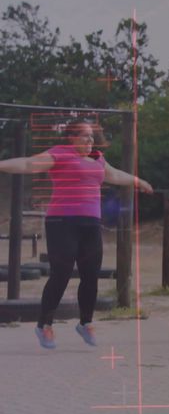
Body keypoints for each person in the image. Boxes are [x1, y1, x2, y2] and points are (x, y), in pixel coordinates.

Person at [0, 119, 153, 349]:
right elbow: (29, 164)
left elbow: (115, 175)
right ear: (71, 137)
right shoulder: (60, 154)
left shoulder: (97, 158)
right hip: (62, 222)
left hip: (90, 223)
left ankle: (85, 323)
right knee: (60, 274)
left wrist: (138, 181)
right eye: (84, 136)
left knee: (91, 274)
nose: (90, 140)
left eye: (92, 136)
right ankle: (44, 325)